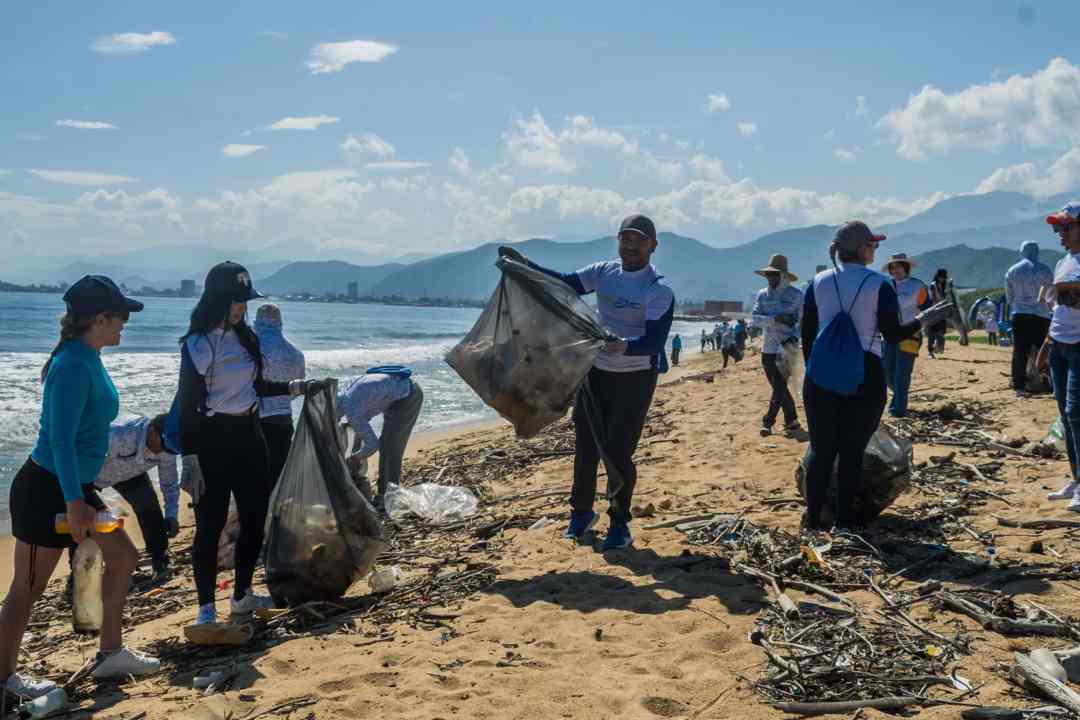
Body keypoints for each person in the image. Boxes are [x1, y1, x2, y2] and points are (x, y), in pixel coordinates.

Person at [0, 276, 159, 696]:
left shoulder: (88, 355)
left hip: (74, 486)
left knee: (123, 556)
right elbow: (60, 441)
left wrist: (84, 494)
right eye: (120, 318)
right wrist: (75, 503)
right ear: (100, 318)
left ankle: (109, 653)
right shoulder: (70, 365)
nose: (125, 325)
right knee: (27, 587)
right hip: (47, 491)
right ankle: (3, 677)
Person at [498, 214, 674, 551]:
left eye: (639, 239)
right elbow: (564, 284)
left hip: (636, 377)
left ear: (653, 245)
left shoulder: (658, 289)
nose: (631, 245)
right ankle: (580, 514)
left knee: (620, 452)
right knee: (586, 446)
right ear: (618, 241)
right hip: (595, 373)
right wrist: (524, 266)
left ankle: (619, 524)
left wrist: (625, 345)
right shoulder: (604, 272)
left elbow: (654, 342)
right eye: (626, 238)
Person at [177, 262, 323, 627]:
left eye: (245, 301)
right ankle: (206, 608)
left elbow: (254, 388)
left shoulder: (248, 339)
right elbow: (187, 403)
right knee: (208, 526)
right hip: (212, 441)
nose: (242, 308)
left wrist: (295, 388)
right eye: (237, 301)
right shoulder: (197, 344)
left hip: (250, 436)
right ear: (219, 300)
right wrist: (190, 458)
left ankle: (241, 594)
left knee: (255, 519)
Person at [801, 223, 920, 531]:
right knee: (852, 451)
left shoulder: (817, 283)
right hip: (865, 371)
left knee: (821, 448)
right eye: (873, 245)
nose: (875, 250)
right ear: (862, 249)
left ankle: (812, 519)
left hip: (821, 373)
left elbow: (807, 334)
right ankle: (843, 522)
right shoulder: (879, 284)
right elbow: (893, 335)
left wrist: (814, 369)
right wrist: (922, 320)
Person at [86, 413, 180, 579]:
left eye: (170, 448)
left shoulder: (168, 448)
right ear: (152, 430)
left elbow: (169, 484)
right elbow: (77, 458)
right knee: (88, 520)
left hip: (130, 473)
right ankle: (78, 571)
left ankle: (160, 559)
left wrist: (172, 515)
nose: (164, 451)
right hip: (89, 475)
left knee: (149, 506)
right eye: (163, 445)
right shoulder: (117, 435)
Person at [1039, 204, 1080, 508]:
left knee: (1077, 413)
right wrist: (1045, 346)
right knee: (1067, 416)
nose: (1061, 234)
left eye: (1067, 227)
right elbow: (1058, 310)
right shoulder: (1062, 262)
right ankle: (1076, 479)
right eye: (1058, 229)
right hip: (1059, 345)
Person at [337, 368, 424, 504]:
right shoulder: (344, 394)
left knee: (390, 447)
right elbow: (357, 428)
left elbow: (373, 445)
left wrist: (354, 458)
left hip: (408, 395)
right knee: (386, 443)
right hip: (393, 393)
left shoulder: (352, 409)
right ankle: (384, 491)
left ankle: (388, 495)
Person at [254, 304, 306, 486]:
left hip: (252, 421)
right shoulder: (296, 354)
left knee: (252, 480)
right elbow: (296, 389)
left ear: (257, 321)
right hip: (283, 419)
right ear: (280, 322)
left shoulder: (248, 349)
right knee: (277, 479)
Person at [751, 254, 803, 437]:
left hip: (789, 348)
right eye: (768, 275)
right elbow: (755, 319)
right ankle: (792, 420)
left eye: (774, 275)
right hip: (768, 347)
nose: (770, 278)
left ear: (783, 275)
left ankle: (768, 422)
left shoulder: (796, 295)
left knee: (780, 386)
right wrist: (775, 319)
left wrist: (794, 335)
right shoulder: (762, 295)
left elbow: (803, 322)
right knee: (777, 388)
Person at [881, 253, 930, 417]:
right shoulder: (884, 286)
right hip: (888, 334)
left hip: (910, 333)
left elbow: (927, 309)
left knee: (902, 372)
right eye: (892, 267)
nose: (895, 270)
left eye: (899, 266)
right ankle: (900, 395)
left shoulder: (918, 286)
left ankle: (898, 409)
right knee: (887, 372)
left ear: (906, 267)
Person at [1006, 241, 1054, 396]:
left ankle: (1019, 386)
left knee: (1019, 351)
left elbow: (1009, 298)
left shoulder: (1012, 271)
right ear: (1037, 252)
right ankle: (1051, 384)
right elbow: (1051, 296)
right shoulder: (1045, 270)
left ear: (1022, 252)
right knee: (1045, 351)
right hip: (1041, 316)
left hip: (1020, 315)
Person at [927, 269, 950, 357]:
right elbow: (933, 299)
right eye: (941, 277)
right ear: (938, 276)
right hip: (934, 311)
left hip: (941, 310)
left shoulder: (943, 286)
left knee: (941, 332)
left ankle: (936, 348)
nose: (943, 279)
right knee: (932, 333)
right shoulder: (933, 285)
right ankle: (930, 351)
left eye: (944, 278)